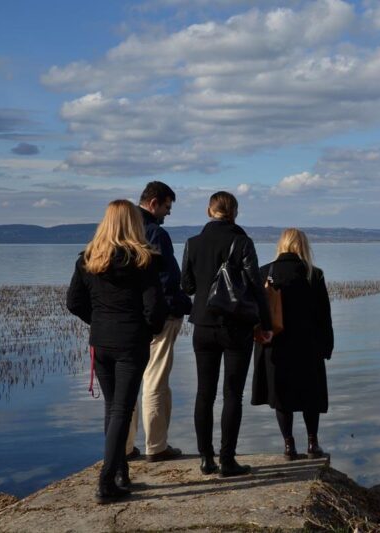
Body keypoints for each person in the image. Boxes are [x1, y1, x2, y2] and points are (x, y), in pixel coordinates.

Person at [66, 199, 167, 504]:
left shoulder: (88, 258)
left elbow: (74, 302)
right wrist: (148, 329)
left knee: (113, 408)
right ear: (134, 223)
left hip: (101, 342)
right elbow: (155, 308)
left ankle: (121, 474)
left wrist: (96, 322)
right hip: (131, 342)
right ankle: (106, 481)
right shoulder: (145, 260)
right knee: (122, 409)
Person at [181, 191, 273, 477]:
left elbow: (186, 285)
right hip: (237, 327)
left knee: (203, 393)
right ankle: (227, 460)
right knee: (232, 394)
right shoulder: (242, 242)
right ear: (235, 212)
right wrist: (266, 324)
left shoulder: (192, 243)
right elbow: (256, 286)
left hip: (203, 326)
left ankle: (206, 459)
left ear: (210, 210)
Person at [125, 181, 192, 468]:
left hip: (125, 319)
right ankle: (156, 445)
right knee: (155, 380)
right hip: (159, 318)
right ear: (153, 203)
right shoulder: (155, 233)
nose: (168, 213)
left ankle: (125, 447)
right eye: (167, 207)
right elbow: (167, 279)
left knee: (126, 385)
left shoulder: (120, 232)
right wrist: (181, 306)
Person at [252, 228, 333, 461]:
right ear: (303, 246)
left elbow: (257, 312)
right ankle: (313, 443)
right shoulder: (313, 274)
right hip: (308, 345)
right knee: (311, 395)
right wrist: (327, 346)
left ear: (282, 245)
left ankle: (288, 446)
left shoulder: (265, 272)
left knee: (281, 397)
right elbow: (323, 315)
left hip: (275, 346)